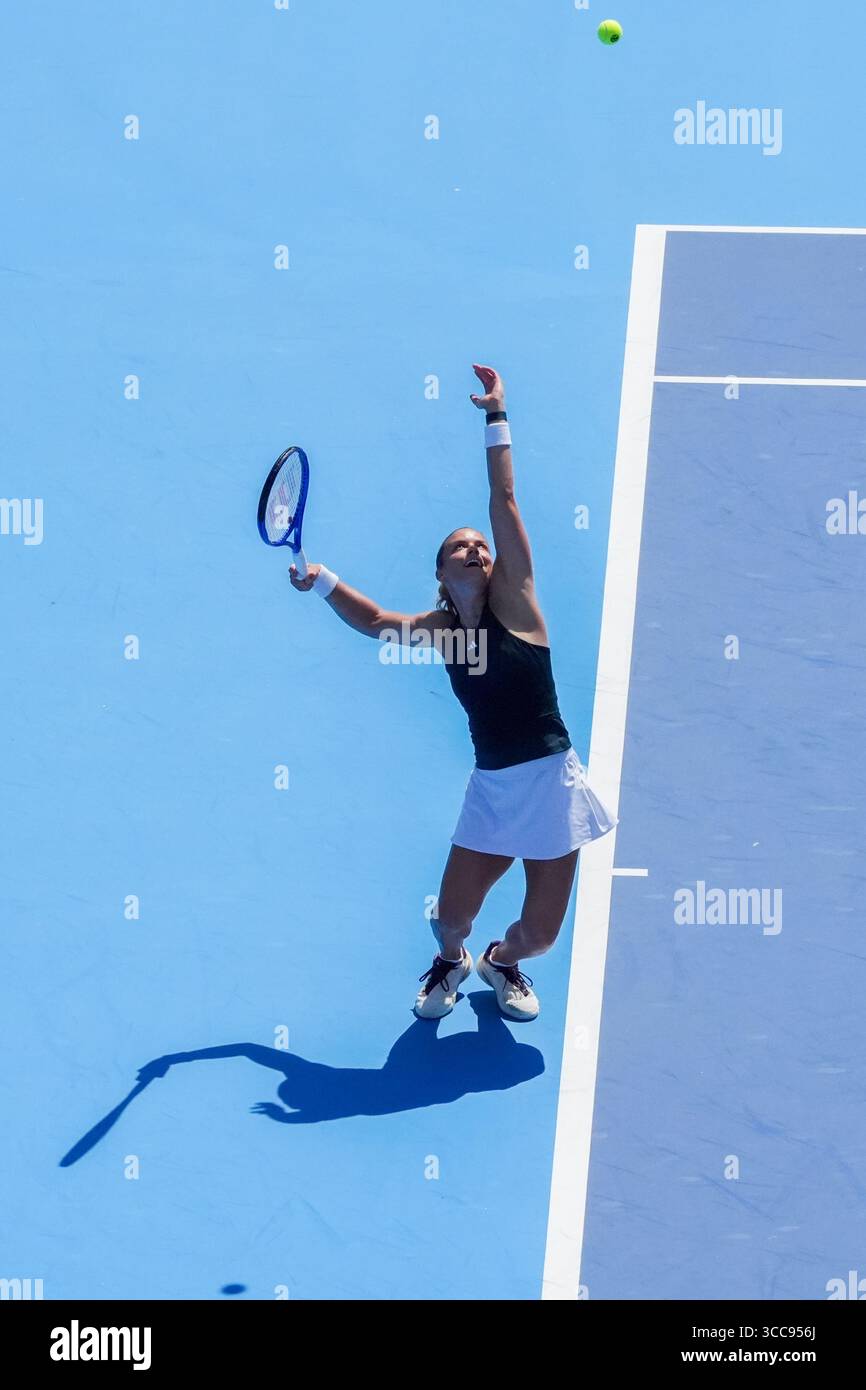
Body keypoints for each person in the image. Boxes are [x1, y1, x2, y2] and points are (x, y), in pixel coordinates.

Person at [290, 364, 617, 1021]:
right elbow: (378, 622)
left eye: (480, 547)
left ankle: (502, 962)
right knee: (448, 920)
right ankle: (454, 961)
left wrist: (496, 416)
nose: (475, 549)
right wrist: (323, 580)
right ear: (442, 571)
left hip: (551, 786)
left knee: (543, 935)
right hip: (494, 794)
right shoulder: (442, 632)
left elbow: (505, 503)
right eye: (459, 547)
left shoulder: (518, 604)